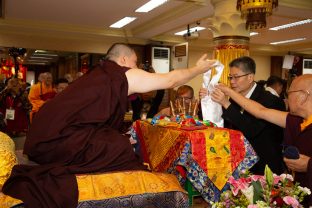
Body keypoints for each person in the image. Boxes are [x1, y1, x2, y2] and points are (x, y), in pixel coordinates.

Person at [2, 43, 216, 208]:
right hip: (60, 139)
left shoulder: (99, 74)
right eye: (134, 62)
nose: (137, 68)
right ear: (123, 59)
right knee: (119, 146)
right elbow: (169, 81)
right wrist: (197, 69)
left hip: (45, 136)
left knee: (116, 139)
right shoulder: (120, 72)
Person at [212, 74, 312, 206]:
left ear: (304, 96)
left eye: (289, 93)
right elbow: (260, 111)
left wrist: (309, 164)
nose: (286, 98)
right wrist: (228, 92)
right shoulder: (297, 120)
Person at [200, 56, 285, 175]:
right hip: (239, 162)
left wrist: (225, 103)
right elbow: (225, 124)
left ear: (250, 77)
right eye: (230, 77)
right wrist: (209, 101)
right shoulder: (234, 98)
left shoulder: (270, 100)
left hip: (264, 165)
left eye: (236, 77)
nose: (232, 81)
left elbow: (251, 130)